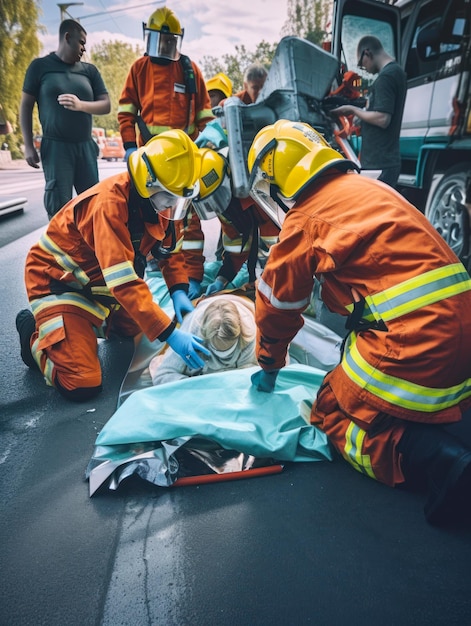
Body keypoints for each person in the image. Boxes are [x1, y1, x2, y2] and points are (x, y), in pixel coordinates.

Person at [247, 119, 471, 526]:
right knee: (365, 373)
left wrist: (268, 364)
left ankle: (439, 462)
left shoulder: (304, 220)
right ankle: (415, 419)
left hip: (416, 343)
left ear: (276, 184)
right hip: (460, 336)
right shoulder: (369, 189)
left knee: (332, 411)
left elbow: (276, 306)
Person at [15, 130, 211, 403]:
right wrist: (170, 334)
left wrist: (178, 289)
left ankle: (79, 330)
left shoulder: (159, 200)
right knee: (82, 384)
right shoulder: (109, 204)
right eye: (169, 198)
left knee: (131, 332)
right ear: (148, 182)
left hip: (98, 285)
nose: (173, 206)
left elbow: (168, 251)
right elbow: (123, 281)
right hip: (59, 283)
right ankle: (34, 338)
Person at [19, 19, 111, 219]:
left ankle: (91, 249)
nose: (84, 49)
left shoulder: (89, 71)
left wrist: (81, 105)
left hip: (85, 147)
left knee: (92, 205)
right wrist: (28, 145)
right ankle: (60, 250)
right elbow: (25, 106)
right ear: (67, 38)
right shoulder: (40, 67)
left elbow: (106, 105)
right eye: (81, 43)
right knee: (59, 207)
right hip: (56, 147)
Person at [117, 6, 214, 160]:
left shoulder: (189, 69)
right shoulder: (139, 68)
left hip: (185, 153)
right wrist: (129, 146)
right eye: (160, 39)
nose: (164, 44)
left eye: (169, 40)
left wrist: (213, 142)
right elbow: (126, 112)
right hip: (149, 152)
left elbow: (204, 113)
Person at [330, 35, 407, 188]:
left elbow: (382, 119)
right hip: (384, 161)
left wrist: (352, 109)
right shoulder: (396, 72)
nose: (363, 68)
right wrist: (362, 117)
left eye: (361, 63)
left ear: (368, 53)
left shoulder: (386, 77)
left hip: (380, 164)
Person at [149, 293, 257, 385]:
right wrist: (197, 387)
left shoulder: (249, 334)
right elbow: (162, 375)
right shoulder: (193, 330)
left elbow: (248, 375)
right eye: (216, 349)